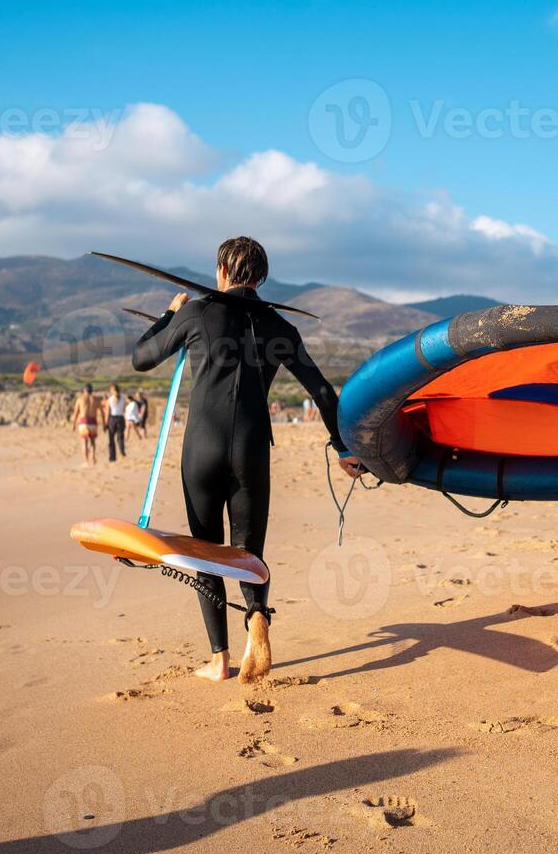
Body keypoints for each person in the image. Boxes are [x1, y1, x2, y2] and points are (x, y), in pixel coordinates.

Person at [133, 236, 362, 684]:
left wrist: (168, 314)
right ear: (261, 278)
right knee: (248, 552)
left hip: (202, 447)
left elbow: (142, 358)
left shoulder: (196, 312)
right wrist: (342, 447)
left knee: (205, 551)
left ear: (221, 270)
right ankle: (257, 615)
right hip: (252, 448)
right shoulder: (280, 328)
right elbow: (321, 391)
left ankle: (219, 659)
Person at [71, 384, 101, 466]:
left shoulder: (80, 399)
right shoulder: (95, 399)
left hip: (84, 421)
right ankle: (93, 458)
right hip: (93, 422)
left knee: (84, 442)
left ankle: (86, 461)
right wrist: (104, 423)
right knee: (93, 441)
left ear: (84, 390)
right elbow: (101, 412)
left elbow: (76, 412)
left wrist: (73, 424)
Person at [104, 383, 129, 462]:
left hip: (112, 419)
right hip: (121, 419)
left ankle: (112, 457)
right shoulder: (123, 398)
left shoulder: (110, 399)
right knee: (120, 438)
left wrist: (105, 423)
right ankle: (122, 453)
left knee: (111, 439)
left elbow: (107, 413)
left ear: (112, 390)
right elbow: (124, 410)